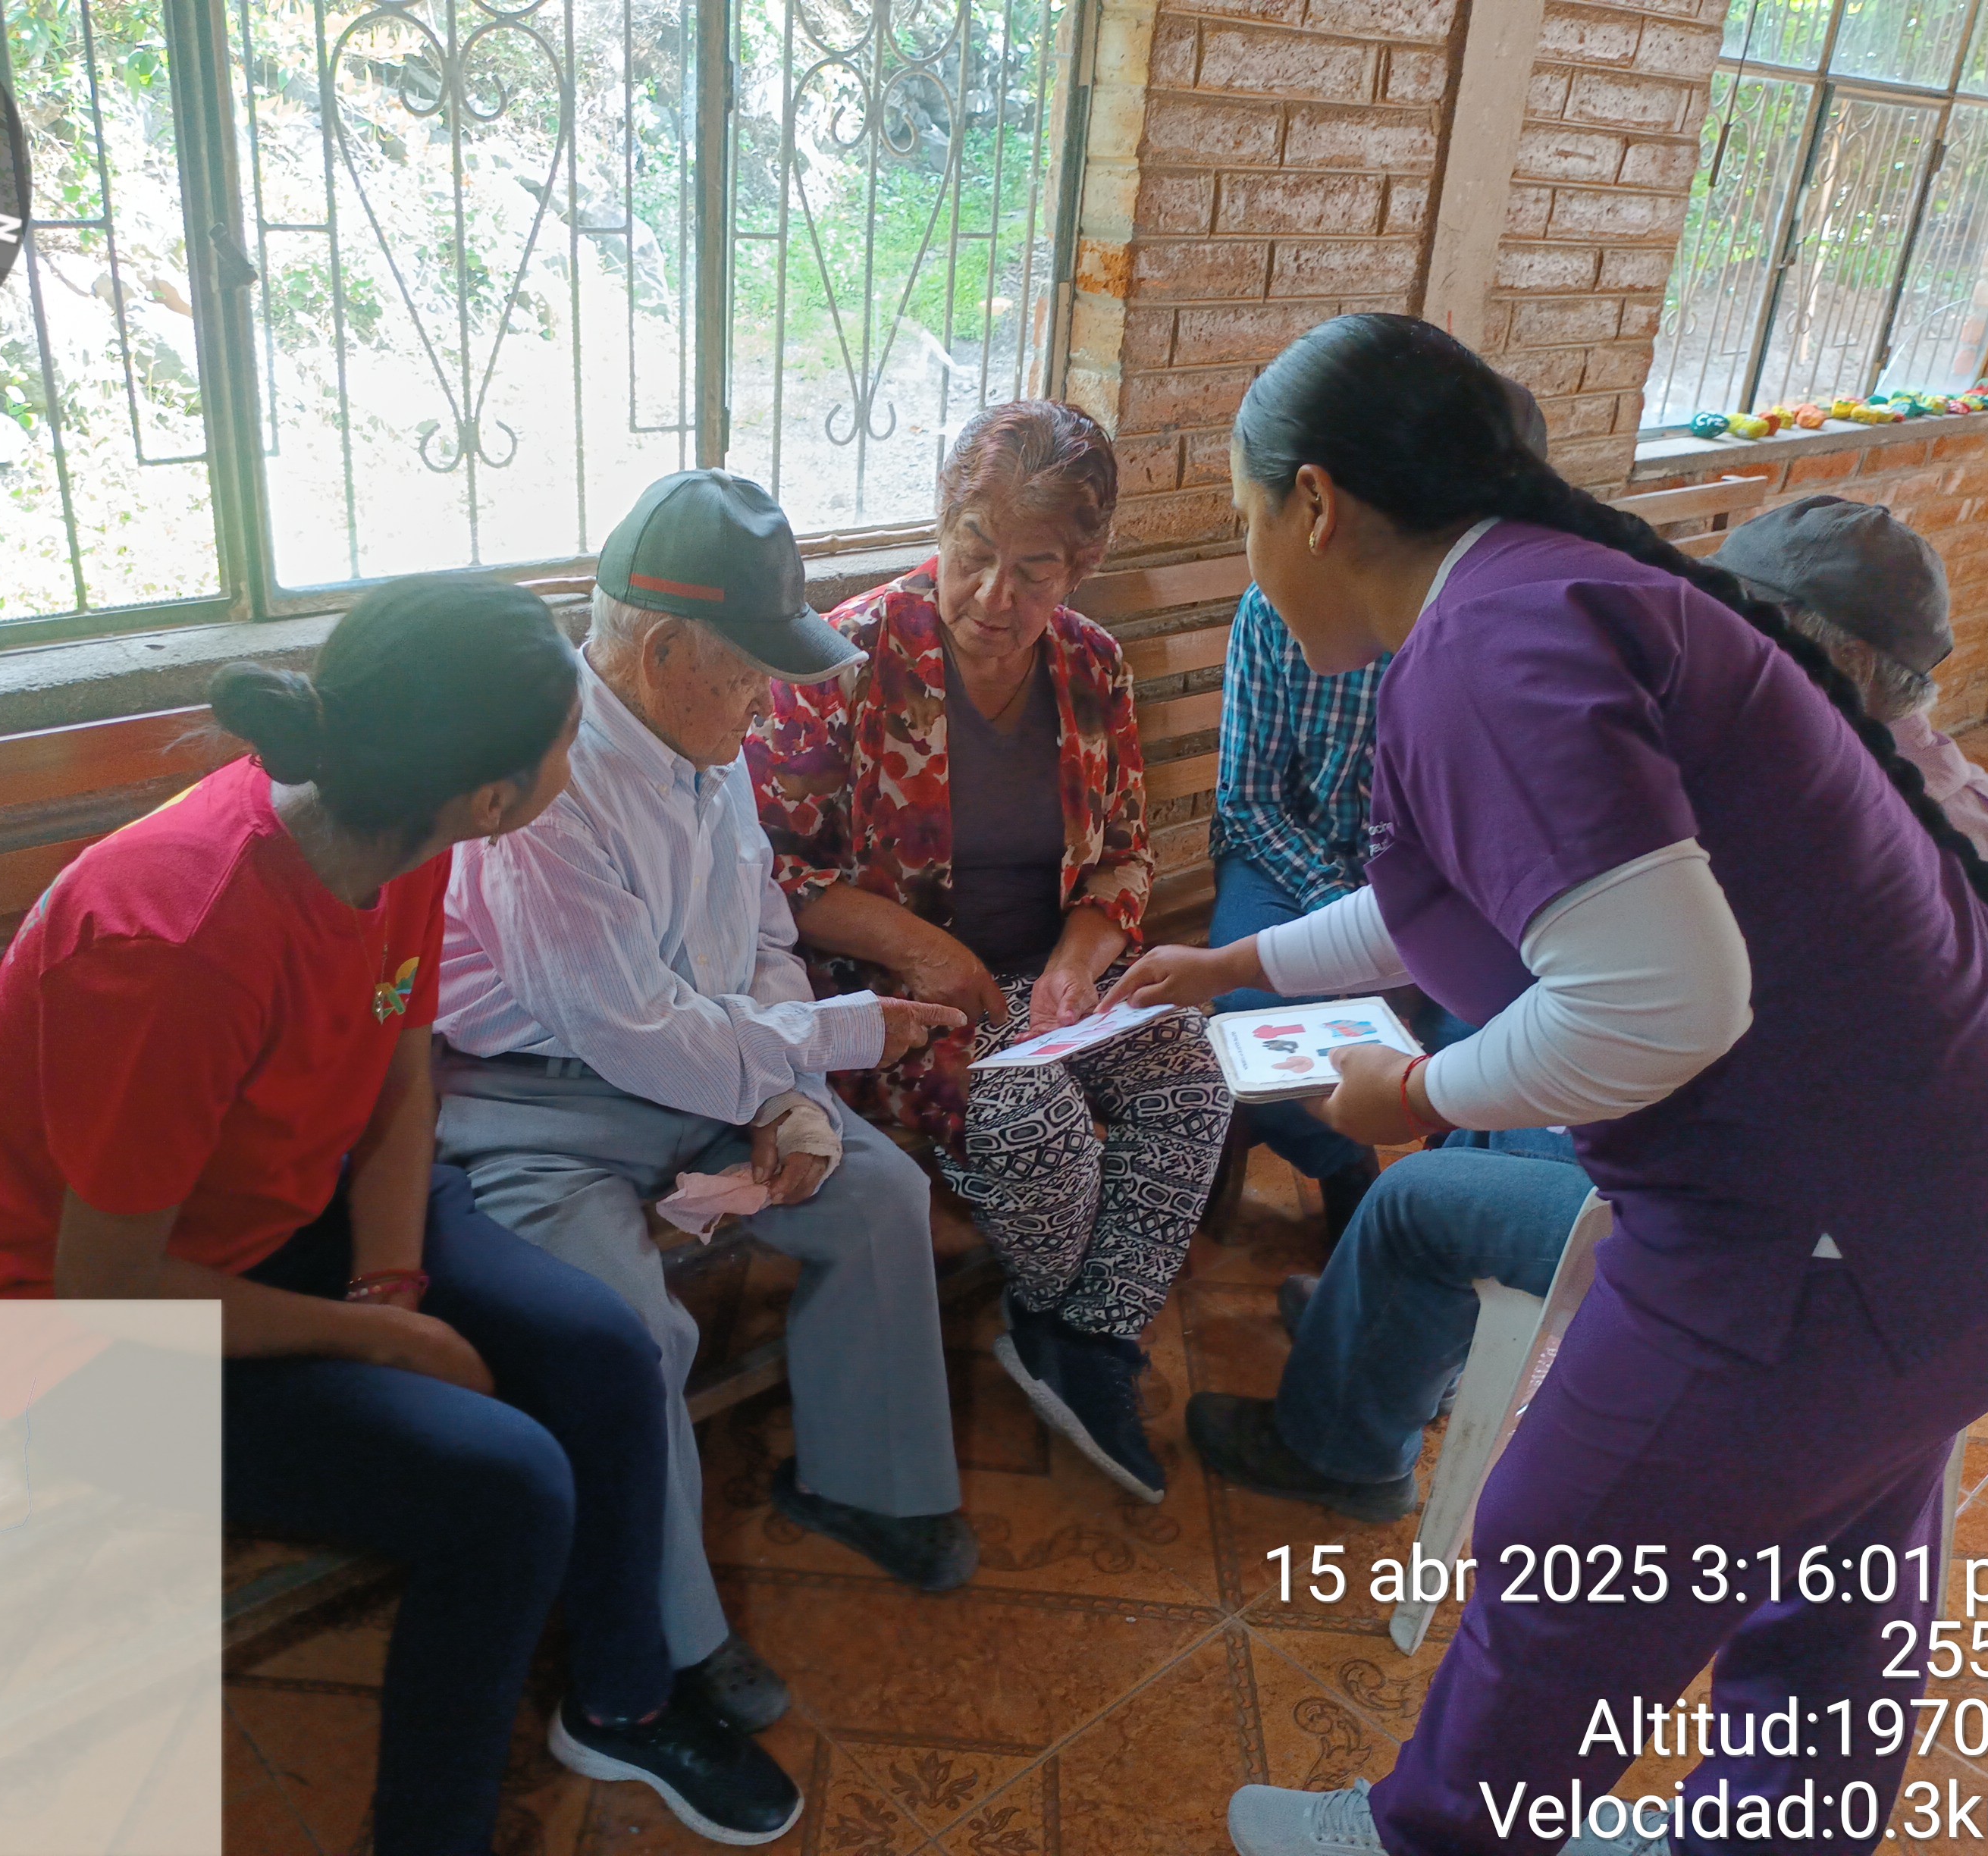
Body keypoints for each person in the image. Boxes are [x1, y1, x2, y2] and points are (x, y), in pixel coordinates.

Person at [1100, 314, 1988, 1856]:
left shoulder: (1484, 651)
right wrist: (1233, 964)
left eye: (1242, 516)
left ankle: (1427, 1838)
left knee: (1564, 1546)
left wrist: (1415, 1093)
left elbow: (1664, 1000)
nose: (1250, 558)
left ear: (1312, 504)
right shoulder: (1533, 599)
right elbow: (1477, 892)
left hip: (1834, 1242)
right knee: (1830, 1585)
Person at [0, 576, 804, 1852]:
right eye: (571, 738)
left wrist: (392, 1286)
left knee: (607, 1351)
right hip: (102, 1346)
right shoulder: (174, 940)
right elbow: (107, 1286)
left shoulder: (402, 835)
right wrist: (381, 1339)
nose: (584, 754)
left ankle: (621, 1700)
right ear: (494, 797)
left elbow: (401, 1071)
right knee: (506, 1489)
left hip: (296, 1226)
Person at [431, 470, 976, 1737]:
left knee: (877, 1197)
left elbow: (761, 938)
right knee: (629, 1332)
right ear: (665, 650)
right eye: (746, 675)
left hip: (706, 1066)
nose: (765, 704)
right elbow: (628, 1029)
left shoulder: (700, 741)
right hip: (535, 1109)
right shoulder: (549, 781)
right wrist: (826, 1042)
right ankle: (669, 1644)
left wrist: (791, 1096)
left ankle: (862, 1483)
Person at [747, 400, 1233, 1506]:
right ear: (942, 525)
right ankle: (1065, 1326)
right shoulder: (847, 661)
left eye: (1034, 571)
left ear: (1083, 566)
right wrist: (930, 956)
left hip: (1043, 986)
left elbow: (1122, 859)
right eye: (973, 555)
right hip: (895, 995)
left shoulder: (1092, 666)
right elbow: (777, 874)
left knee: (1191, 1076)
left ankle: (1084, 1338)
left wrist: (1073, 970)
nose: (992, 597)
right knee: (1031, 1118)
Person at [1208, 378, 1542, 1240]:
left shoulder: (1496, 641)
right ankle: (1348, 1173)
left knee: (1500, 1035)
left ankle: (1441, 1208)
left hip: (1446, 895)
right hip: (1289, 859)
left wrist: (1402, 934)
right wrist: (1339, 908)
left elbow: (1487, 852)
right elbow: (1250, 801)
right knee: (1248, 1022)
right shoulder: (1276, 611)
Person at [1716, 493, 1988, 954]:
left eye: (1744, 628)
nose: (1712, 643)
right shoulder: (1945, 790)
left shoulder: (1859, 839)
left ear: (1847, 663)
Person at [1190, 1130, 1589, 1519]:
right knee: (1501, 1121)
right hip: (1626, 1166)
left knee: (1413, 1204)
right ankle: (1406, 1365)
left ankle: (1345, 1458)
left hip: (1627, 1228)